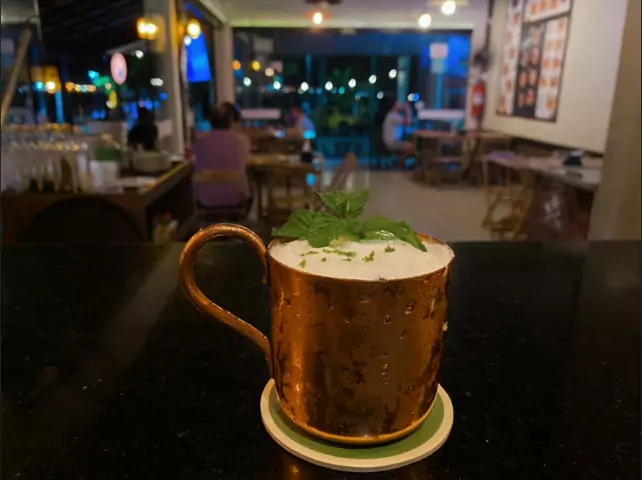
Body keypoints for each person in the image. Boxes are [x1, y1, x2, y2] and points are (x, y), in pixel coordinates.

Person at [192, 105, 251, 212]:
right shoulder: (242, 141)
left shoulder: (200, 141)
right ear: (230, 122)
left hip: (205, 198)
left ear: (211, 122)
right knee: (250, 184)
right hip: (236, 197)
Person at [382, 101, 413, 167]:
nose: (400, 105)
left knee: (407, 146)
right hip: (392, 143)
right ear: (395, 105)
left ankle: (400, 164)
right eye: (398, 103)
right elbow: (408, 122)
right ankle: (401, 165)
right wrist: (408, 110)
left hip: (393, 142)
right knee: (412, 147)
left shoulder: (394, 115)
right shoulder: (392, 116)